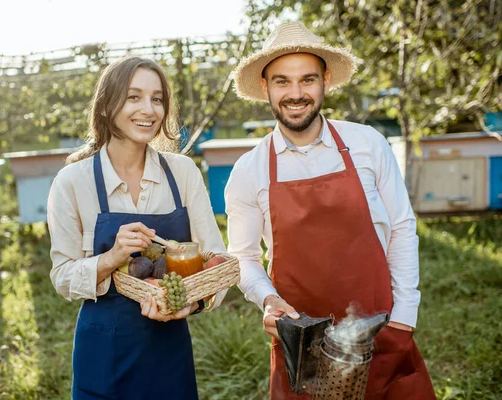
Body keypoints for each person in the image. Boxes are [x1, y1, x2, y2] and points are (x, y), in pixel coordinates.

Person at [225, 21, 436, 399]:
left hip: (380, 332)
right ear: (265, 87)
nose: (295, 94)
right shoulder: (248, 169)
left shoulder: (368, 144)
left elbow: (403, 228)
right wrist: (268, 299)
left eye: (307, 79)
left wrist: (405, 318)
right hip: (300, 347)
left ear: (325, 80)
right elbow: (242, 258)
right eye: (282, 81)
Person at [47, 56, 226, 400]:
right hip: (103, 349)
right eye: (134, 97)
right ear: (106, 105)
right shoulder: (73, 182)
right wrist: (113, 256)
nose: (148, 109)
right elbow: (63, 277)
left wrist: (194, 304)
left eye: (157, 99)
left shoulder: (182, 172)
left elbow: (214, 260)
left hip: (169, 346)